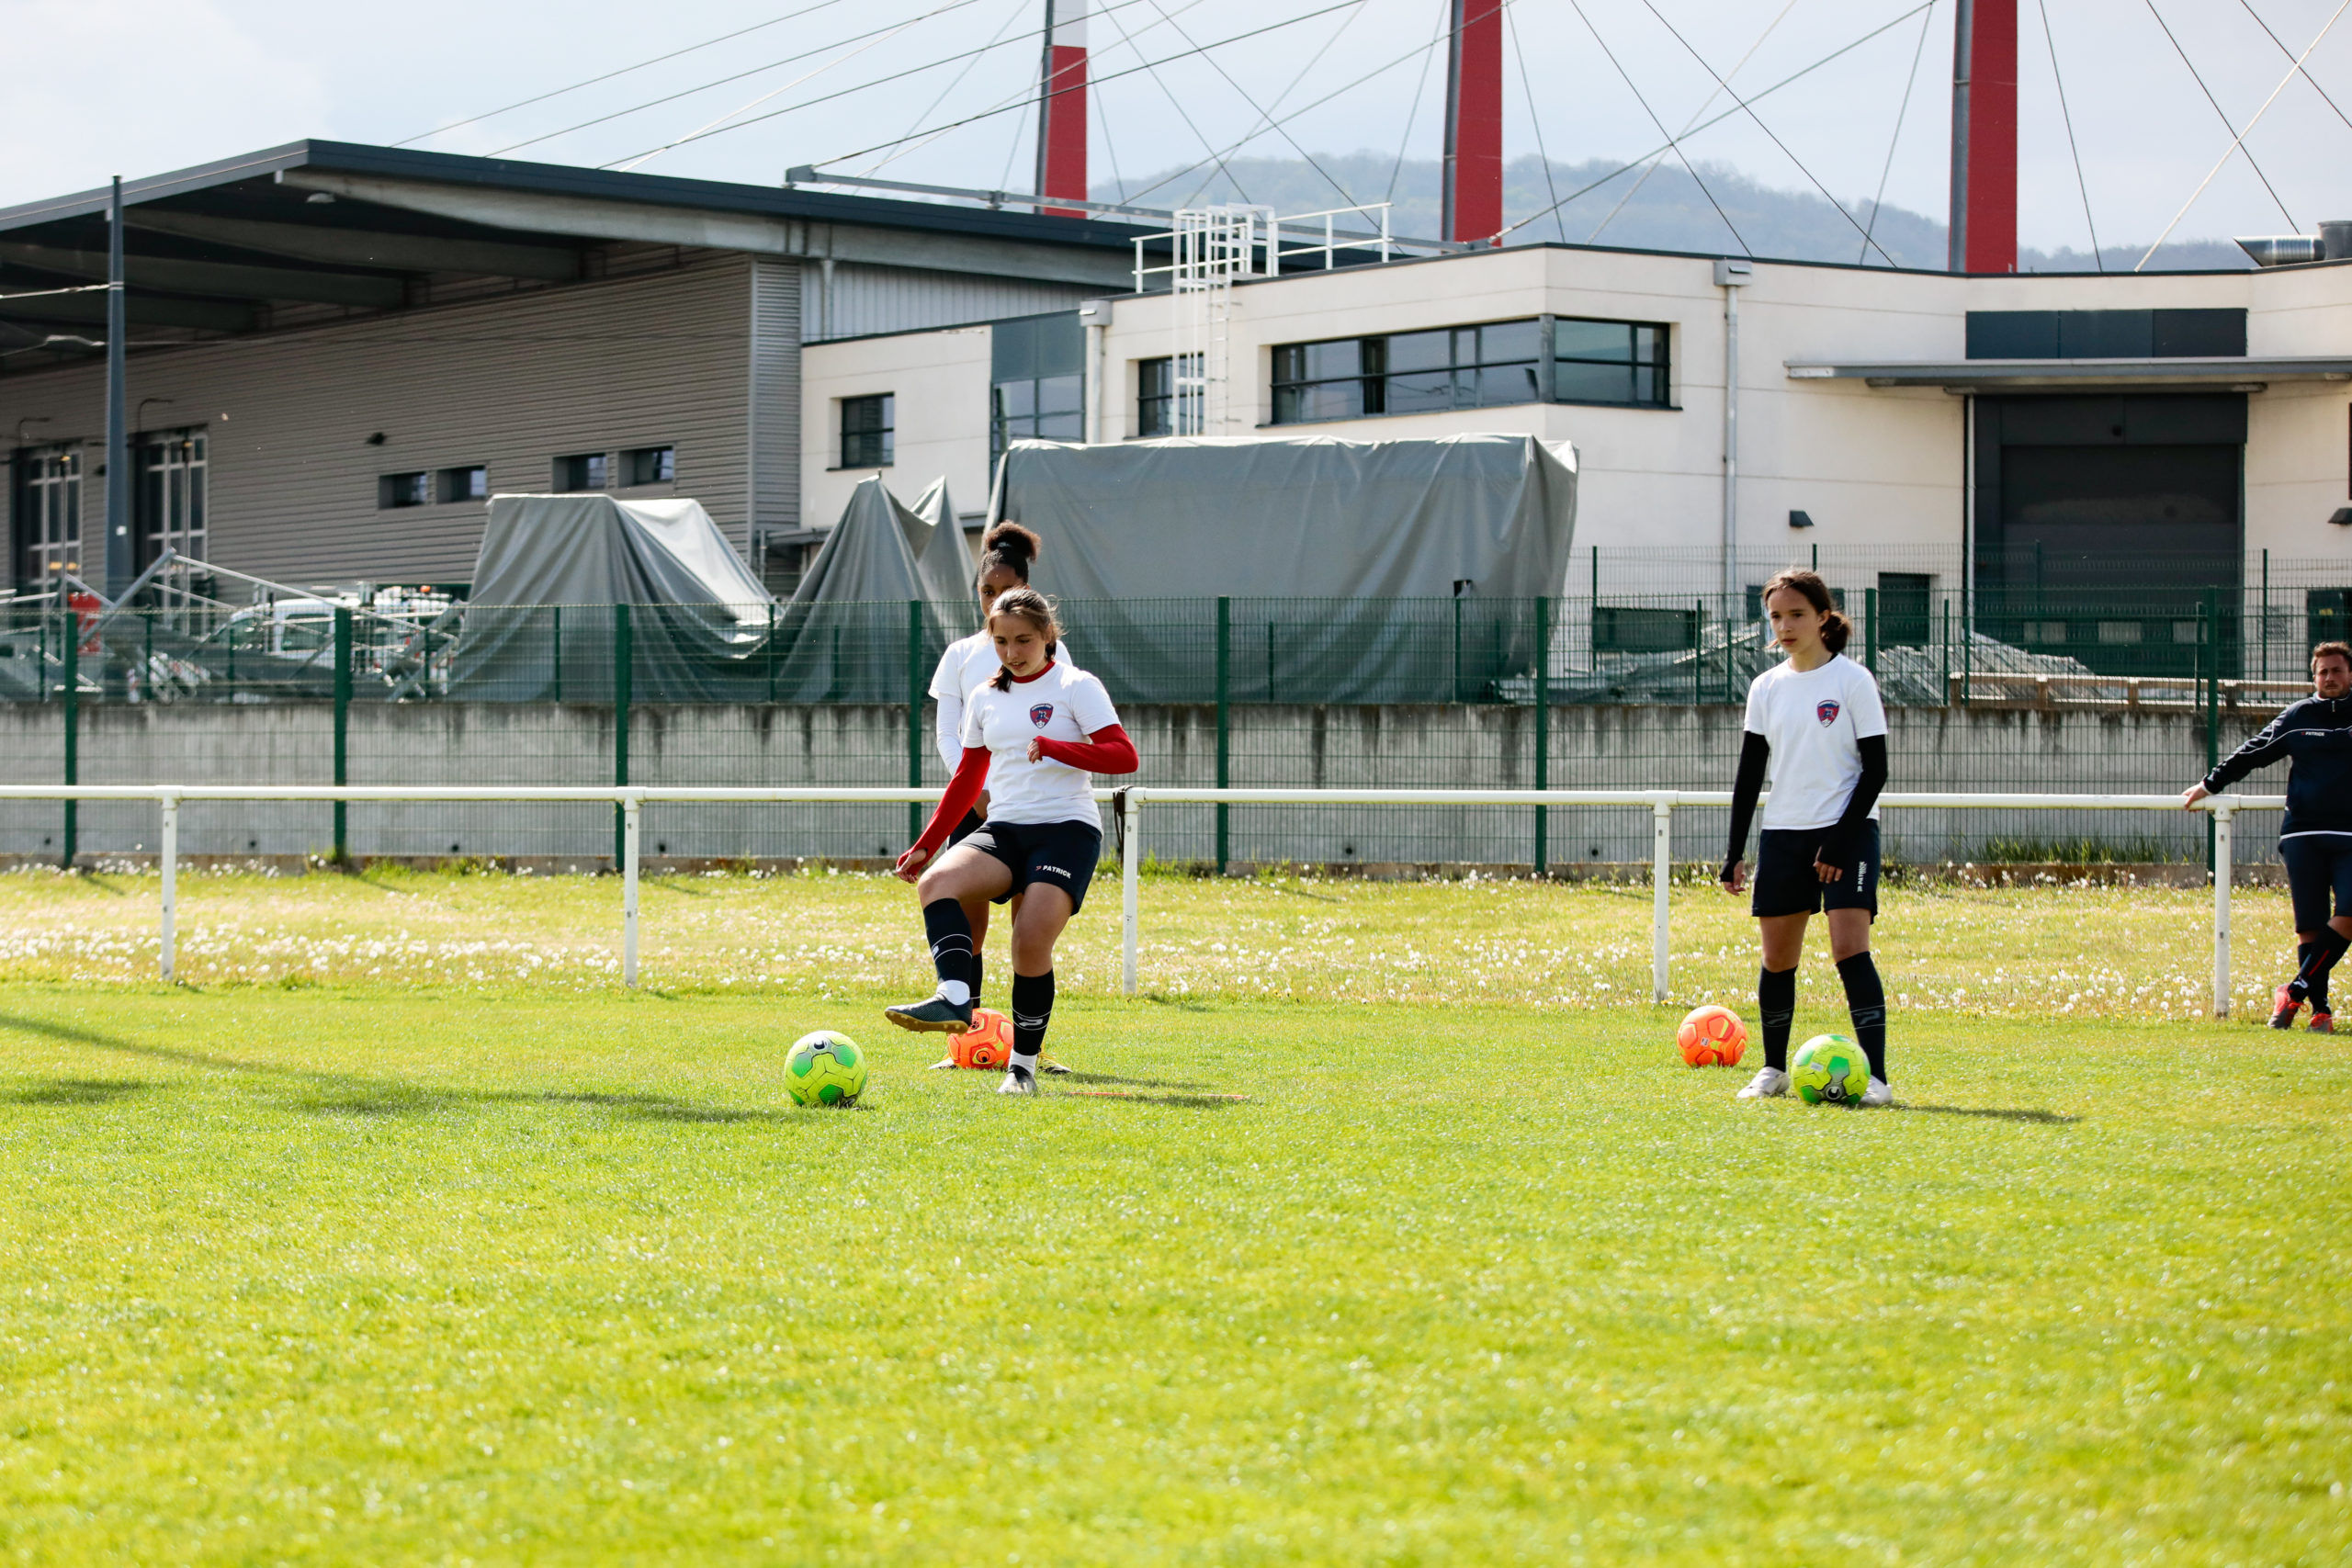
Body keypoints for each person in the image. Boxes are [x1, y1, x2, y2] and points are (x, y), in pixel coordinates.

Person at [887, 587, 1138, 1094]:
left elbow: (1123, 756)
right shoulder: (984, 696)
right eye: (1001, 641)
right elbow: (967, 778)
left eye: (1023, 640)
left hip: (1067, 831)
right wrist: (927, 843)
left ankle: (1022, 1069)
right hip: (1005, 830)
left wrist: (1057, 748)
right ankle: (955, 997)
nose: (1012, 652)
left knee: (1028, 942)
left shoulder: (1076, 685)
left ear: (1047, 635)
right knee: (936, 883)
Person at [1720, 569, 1894, 1106]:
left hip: (1848, 832)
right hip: (1784, 834)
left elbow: (1876, 770)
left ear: (1822, 617)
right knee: (1777, 960)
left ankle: (1878, 1079)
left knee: (1849, 949)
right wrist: (1734, 852)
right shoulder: (1765, 687)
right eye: (1776, 616)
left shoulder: (1853, 681)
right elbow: (1750, 774)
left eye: (1796, 614)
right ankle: (1773, 1069)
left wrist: (1840, 840)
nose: (1785, 626)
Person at [923, 523, 1078, 1015]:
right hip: (974, 809)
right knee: (969, 928)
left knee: (1026, 935)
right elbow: (948, 734)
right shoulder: (959, 655)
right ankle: (967, 1033)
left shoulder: (1050, 653)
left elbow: (1063, 725)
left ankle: (1023, 1043)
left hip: (1032, 811)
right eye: (986, 592)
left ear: (1026, 591)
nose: (994, 603)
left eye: (1005, 591)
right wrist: (976, 794)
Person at [2184, 639, 2352, 1031]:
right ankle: (2320, 1011)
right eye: (2323, 672)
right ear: (2314, 677)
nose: (2330, 677)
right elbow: (2252, 752)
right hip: (2303, 833)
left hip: (2349, 834)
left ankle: (2293, 991)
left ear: (2350, 674)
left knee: (2348, 913)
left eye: (2337, 670)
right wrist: (2209, 785)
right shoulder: (2298, 716)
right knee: (2309, 926)